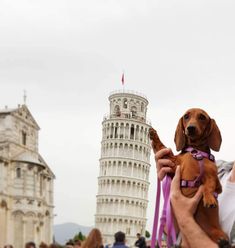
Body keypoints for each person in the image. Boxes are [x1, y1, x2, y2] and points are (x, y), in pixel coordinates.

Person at [154, 147, 235, 247]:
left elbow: (182, 217)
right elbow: (171, 237)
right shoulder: (213, 167)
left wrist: (184, 218)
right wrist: (172, 182)